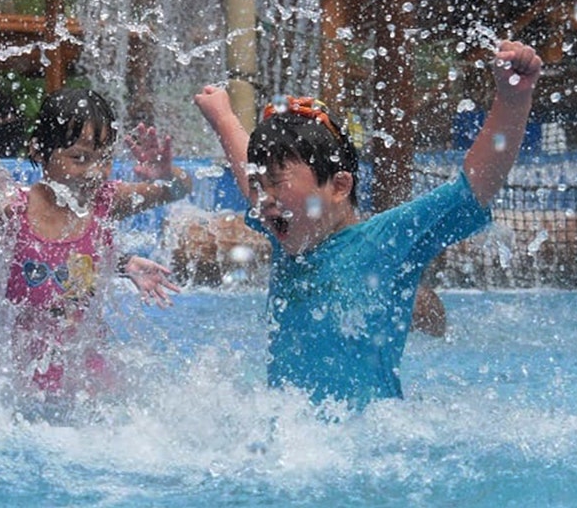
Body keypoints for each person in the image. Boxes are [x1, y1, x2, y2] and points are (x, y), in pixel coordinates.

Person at [193, 40, 542, 410]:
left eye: (276, 183)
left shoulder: (384, 240)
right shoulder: (287, 230)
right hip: (293, 436)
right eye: (259, 186)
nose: (263, 199)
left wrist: (513, 100)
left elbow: (474, 187)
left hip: (367, 435)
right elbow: (249, 176)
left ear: (339, 186)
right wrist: (224, 119)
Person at [0, 87, 190, 396]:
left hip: (86, 368)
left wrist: (167, 174)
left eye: (104, 158)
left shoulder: (106, 202)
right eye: (79, 157)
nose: (95, 171)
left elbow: (178, 190)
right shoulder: (14, 210)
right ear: (39, 150)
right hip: (21, 373)